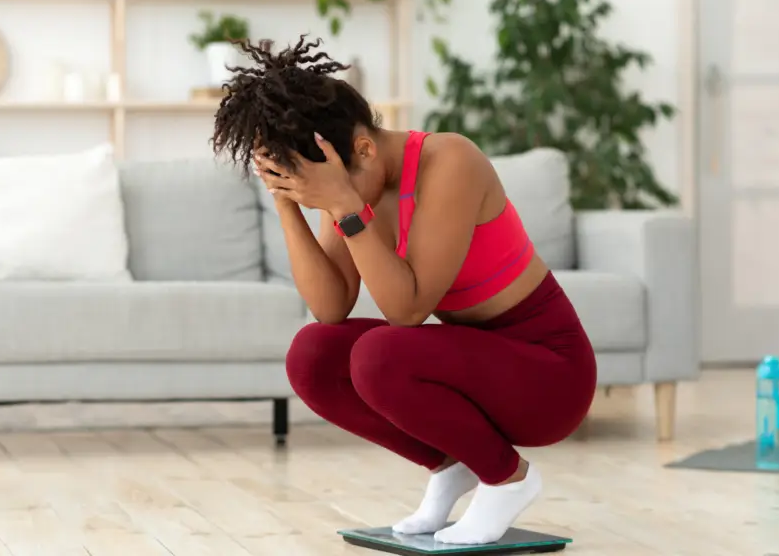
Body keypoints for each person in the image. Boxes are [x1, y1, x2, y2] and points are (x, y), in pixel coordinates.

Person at [211, 36, 597, 546]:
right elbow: (329, 308)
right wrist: (287, 201)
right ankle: (454, 464)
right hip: (482, 367)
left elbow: (408, 311)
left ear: (364, 148)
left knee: (380, 355)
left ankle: (507, 480)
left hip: (549, 378)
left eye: (323, 189)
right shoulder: (350, 186)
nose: (325, 203)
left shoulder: (450, 161)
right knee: (313, 354)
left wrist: (343, 206)